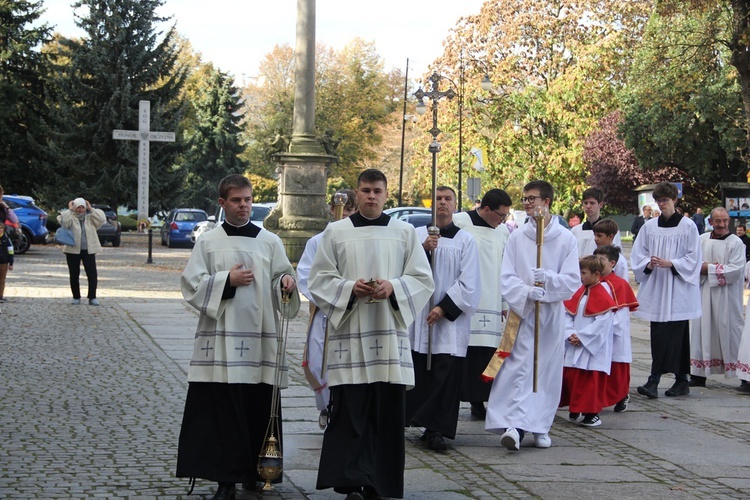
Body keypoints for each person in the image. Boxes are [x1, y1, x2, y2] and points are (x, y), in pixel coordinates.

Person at [308, 169, 434, 499]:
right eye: (365, 190)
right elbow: (319, 280)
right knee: (350, 414)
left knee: (386, 416)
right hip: (350, 338)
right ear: (356, 193)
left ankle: (379, 483)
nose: (371, 196)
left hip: (389, 340)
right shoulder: (335, 232)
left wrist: (394, 286)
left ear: (386, 193)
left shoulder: (404, 232)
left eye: (377, 190)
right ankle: (351, 483)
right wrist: (351, 288)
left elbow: (422, 279)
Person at [176, 174, 300, 500]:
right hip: (220, 342)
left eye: (247, 199)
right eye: (236, 200)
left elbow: (281, 275)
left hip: (259, 340)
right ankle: (225, 481)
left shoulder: (269, 241)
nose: (243, 205)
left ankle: (257, 473)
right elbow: (191, 284)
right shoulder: (208, 241)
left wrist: (286, 282)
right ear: (222, 203)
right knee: (223, 413)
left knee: (257, 407)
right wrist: (227, 280)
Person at [485, 180, 580, 451]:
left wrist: (549, 280)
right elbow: (507, 275)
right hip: (523, 313)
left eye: (532, 198)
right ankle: (514, 425)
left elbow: (572, 279)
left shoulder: (565, 239)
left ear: (546, 202)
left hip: (550, 314)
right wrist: (527, 292)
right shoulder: (516, 236)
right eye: (525, 198)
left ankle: (540, 425)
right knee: (519, 368)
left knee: (546, 369)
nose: (527, 203)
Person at [406, 186, 480, 451]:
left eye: (448, 199)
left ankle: (437, 428)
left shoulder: (465, 240)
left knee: (445, 372)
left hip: (449, 322)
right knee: (421, 369)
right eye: (438, 199)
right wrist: (424, 250)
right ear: (431, 204)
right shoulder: (415, 236)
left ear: (455, 205)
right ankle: (420, 420)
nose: (443, 203)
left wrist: (444, 307)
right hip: (420, 317)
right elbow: (404, 270)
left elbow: (470, 281)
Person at [631, 182, 701, 399]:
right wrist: (649, 264)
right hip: (658, 287)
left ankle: (678, 380)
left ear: (675, 201)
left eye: (666, 200)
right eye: (659, 201)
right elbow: (638, 254)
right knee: (659, 334)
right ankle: (659, 379)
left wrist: (672, 263)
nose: (662, 205)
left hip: (678, 287)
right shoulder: (649, 227)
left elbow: (694, 257)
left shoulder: (688, 226)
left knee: (678, 335)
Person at [297, 189, 357, 430]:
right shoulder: (316, 242)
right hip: (325, 314)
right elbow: (305, 276)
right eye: (342, 209)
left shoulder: (358, 241)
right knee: (320, 361)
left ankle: (345, 409)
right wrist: (330, 298)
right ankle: (325, 407)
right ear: (332, 210)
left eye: (351, 210)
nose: (346, 214)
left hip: (353, 313)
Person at [452, 189, 512, 419]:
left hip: (492, 300)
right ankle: (454, 401)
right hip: (465, 301)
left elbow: (506, 269)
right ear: (486, 209)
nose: (503, 220)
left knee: (487, 356)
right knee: (462, 355)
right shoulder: (460, 223)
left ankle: (480, 402)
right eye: (501, 215)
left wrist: (505, 301)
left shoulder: (503, 232)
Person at [689, 207, 746, 388]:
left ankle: (744, 376)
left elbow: (736, 270)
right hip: (703, 294)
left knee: (732, 332)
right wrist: (702, 268)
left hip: (727, 298)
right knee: (701, 331)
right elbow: (691, 263)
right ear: (711, 222)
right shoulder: (701, 240)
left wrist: (708, 268)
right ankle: (698, 375)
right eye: (718, 221)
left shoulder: (736, 243)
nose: (721, 224)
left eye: (725, 221)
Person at [560, 255, 616, 428]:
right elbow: (567, 314)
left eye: (583, 273)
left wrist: (583, 338)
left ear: (596, 274)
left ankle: (592, 414)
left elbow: (602, 324)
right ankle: (576, 408)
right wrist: (570, 334)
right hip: (575, 343)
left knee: (589, 383)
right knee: (573, 378)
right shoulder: (580, 292)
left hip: (592, 348)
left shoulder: (603, 295)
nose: (580, 276)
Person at [593, 245, 639, 413]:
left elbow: (620, 315)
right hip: (594, 334)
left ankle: (621, 396)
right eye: (596, 259)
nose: (598, 263)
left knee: (615, 368)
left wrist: (605, 328)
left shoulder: (619, 284)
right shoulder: (591, 281)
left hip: (614, 333)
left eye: (602, 260)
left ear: (612, 263)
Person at [59, 198, 106, 306]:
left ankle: (92, 297)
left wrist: (91, 209)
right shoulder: (70, 216)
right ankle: (76, 296)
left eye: (82, 207)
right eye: (78, 207)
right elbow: (64, 223)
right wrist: (70, 210)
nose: (80, 210)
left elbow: (102, 219)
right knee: (74, 274)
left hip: (88, 250)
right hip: (72, 250)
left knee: (92, 274)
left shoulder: (90, 218)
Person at [571, 187, 621, 257]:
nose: (588, 206)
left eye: (592, 203)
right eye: (585, 203)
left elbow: (616, 256)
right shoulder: (575, 231)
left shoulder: (610, 230)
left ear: (600, 204)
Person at [0, 222, 13, 302]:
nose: (0, 230)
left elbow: (11, 251)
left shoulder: (6, 239)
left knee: (2, 280)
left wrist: (11, 263)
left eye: (1, 228)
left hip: (4, 262)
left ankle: (0, 296)